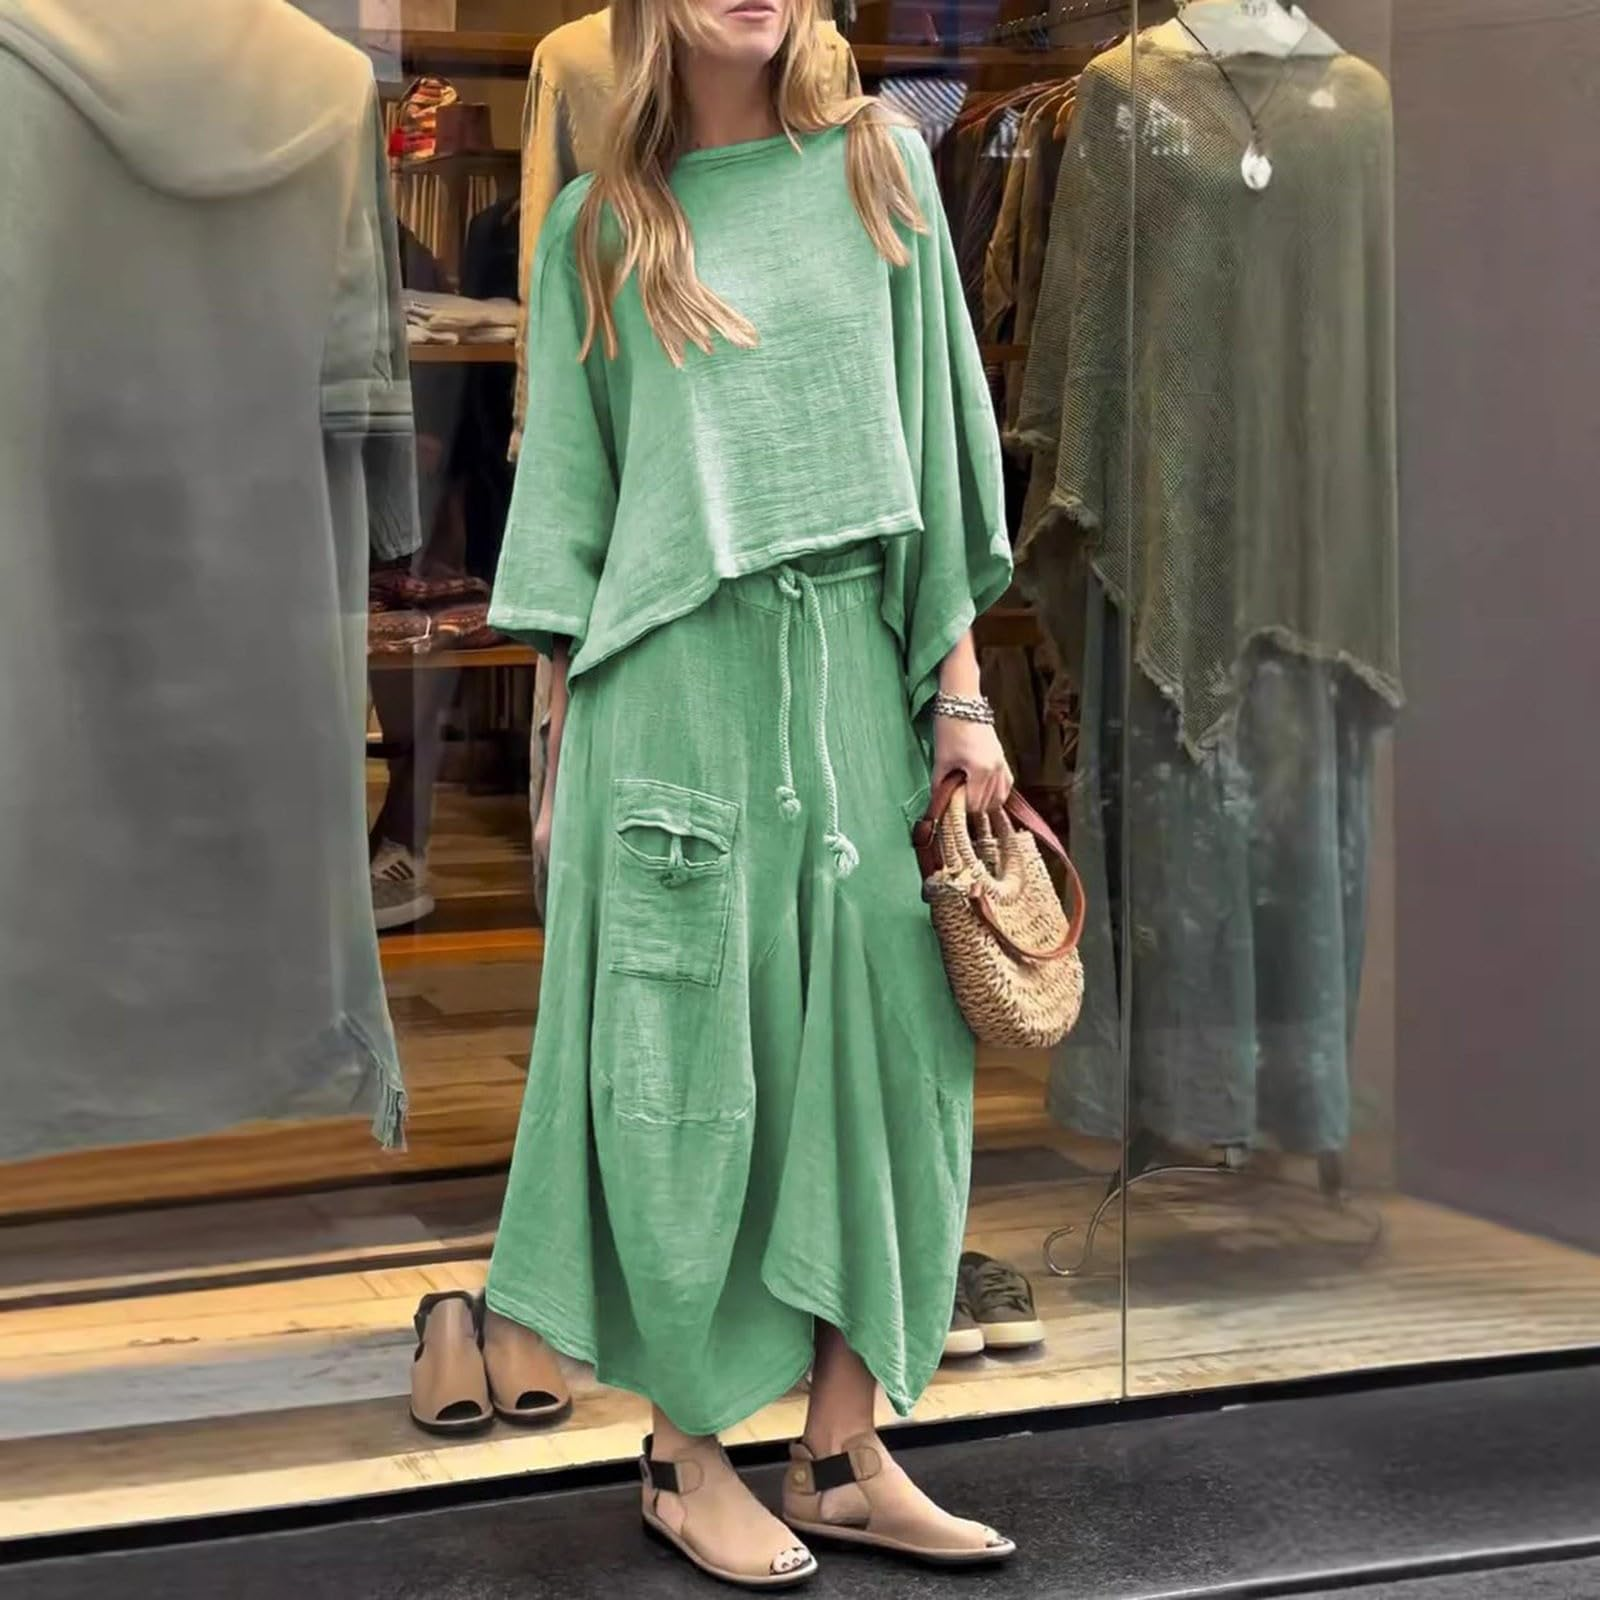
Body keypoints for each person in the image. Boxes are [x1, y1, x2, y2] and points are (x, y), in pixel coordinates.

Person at [484, 0, 1017, 1585]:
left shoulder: (879, 168)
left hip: (852, 672)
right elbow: (567, 516)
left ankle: (843, 1453)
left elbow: (939, 448)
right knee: (680, 1077)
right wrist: (555, 765)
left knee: (891, 1055)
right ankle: (683, 1452)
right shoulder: (599, 227)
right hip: (666, 702)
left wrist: (960, 694)